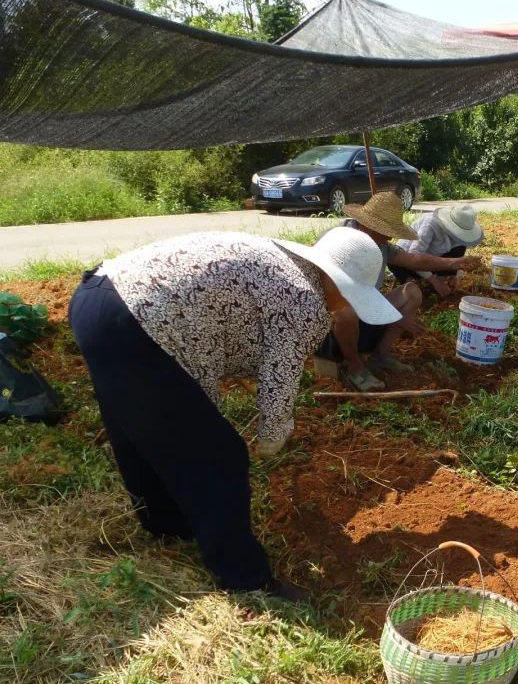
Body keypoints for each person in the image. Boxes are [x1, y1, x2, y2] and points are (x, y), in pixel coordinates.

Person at [67, 228, 401, 600]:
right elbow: (278, 380)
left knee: (139, 423)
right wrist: (273, 438)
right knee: (221, 457)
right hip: (140, 323)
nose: (347, 305)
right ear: (336, 280)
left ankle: (165, 521)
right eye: (352, 295)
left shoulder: (284, 262)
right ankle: (246, 578)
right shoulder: (305, 300)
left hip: (97, 299)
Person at [315, 192, 482, 391]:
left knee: (412, 292)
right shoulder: (339, 242)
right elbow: (339, 295)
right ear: (368, 225)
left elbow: (412, 260)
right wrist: (394, 317)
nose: (390, 236)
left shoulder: (380, 244)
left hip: (367, 309)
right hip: (332, 316)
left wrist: (455, 262)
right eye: (387, 231)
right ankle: (355, 367)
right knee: (346, 311)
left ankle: (380, 355)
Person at [393, 205, 484, 297]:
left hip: (434, 261)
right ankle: (412, 281)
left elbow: (458, 258)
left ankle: (439, 281)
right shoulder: (430, 223)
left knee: (459, 248)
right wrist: (434, 281)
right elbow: (414, 256)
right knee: (412, 286)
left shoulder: (462, 237)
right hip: (407, 258)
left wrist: (455, 276)